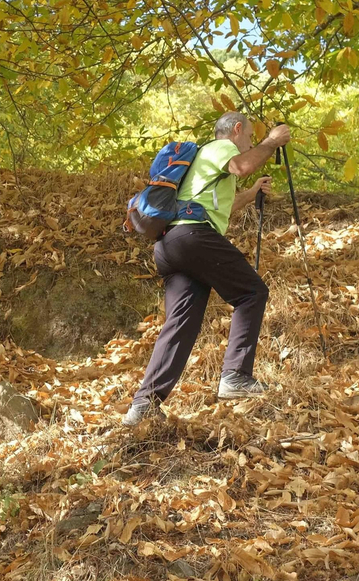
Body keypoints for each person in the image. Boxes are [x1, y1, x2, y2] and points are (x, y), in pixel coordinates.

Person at [124, 113, 293, 426]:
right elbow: (243, 165)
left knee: (181, 324)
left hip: (170, 245)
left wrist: (252, 191)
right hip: (193, 236)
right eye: (251, 138)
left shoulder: (203, 167)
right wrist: (271, 142)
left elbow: (222, 206)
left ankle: (143, 406)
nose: (251, 144)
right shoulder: (219, 148)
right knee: (252, 292)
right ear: (237, 130)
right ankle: (236, 376)